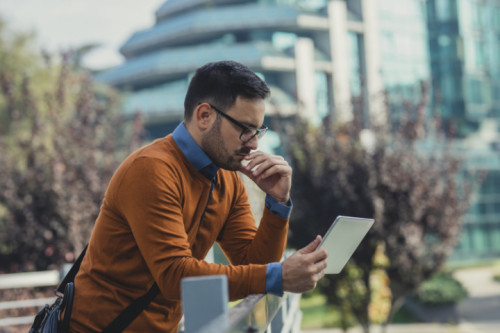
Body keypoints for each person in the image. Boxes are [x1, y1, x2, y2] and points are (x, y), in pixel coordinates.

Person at [69, 60, 328, 332]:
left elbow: (254, 266)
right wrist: (279, 275)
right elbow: (175, 275)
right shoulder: (151, 169)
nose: (253, 144)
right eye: (245, 129)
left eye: (257, 131)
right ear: (204, 116)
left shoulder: (227, 178)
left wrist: (277, 204)